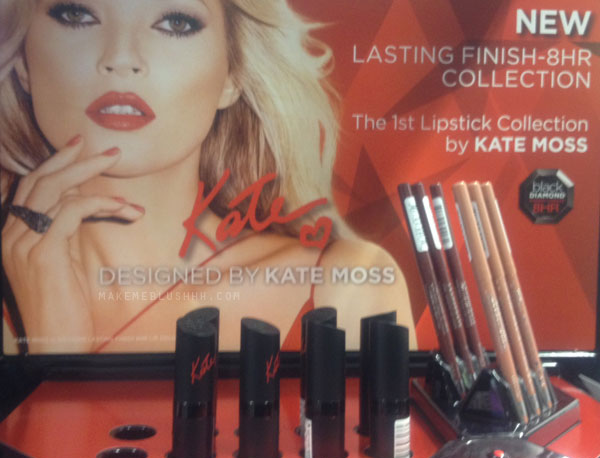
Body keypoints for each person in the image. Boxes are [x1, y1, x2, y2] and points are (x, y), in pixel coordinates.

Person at [0, 0, 415, 354]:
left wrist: (56, 359)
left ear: (233, 75)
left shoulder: (346, 287)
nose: (121, 58)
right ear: (22, 61)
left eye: (175, 22)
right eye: (76, 14)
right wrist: (49, 344)